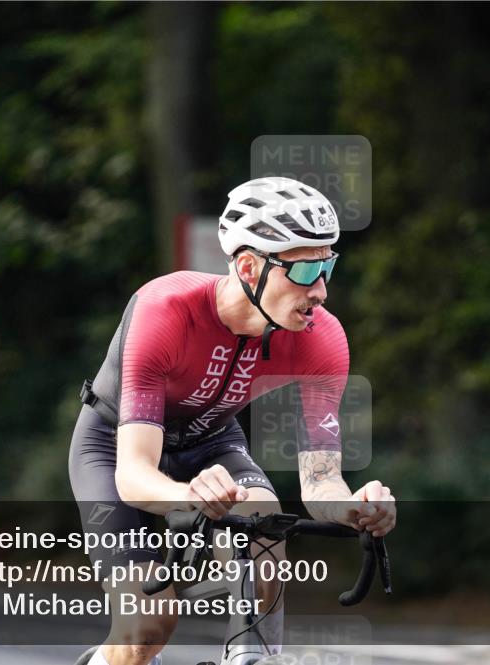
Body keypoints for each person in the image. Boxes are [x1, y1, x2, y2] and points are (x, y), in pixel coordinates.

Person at [69, 176, 396, 665]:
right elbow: (134, 475)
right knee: (147, 626)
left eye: (328, 266)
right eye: (307, 271)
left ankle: (254, 656)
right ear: (248, 267)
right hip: (115, 445)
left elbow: (320, 482)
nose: (322, 291)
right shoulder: (165, 310)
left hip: (212, 441)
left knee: (264, 537)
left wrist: (353, 508)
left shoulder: (322, 339)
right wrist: (189, 495)